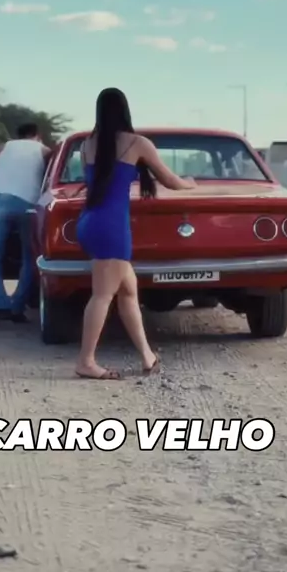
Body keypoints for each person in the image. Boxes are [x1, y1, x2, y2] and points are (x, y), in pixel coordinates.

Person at [75, 88, 197, 380]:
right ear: (124, 111)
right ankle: (85, 361)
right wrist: (190, 183)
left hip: (89, 222)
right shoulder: (137, 143)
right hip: (111, 227)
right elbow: (170, 181)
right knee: (102, 295)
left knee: (128, 291)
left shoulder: (87, 145)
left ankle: (147, 356)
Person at [0, 123, 53, 324]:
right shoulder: (45, 152)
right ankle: (17, 306)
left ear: (17, 135)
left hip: (0, 202)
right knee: (31, 256)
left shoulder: (1, 149)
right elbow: (53, 182)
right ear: (38, 135)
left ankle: (0, 304)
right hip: (31, 205)